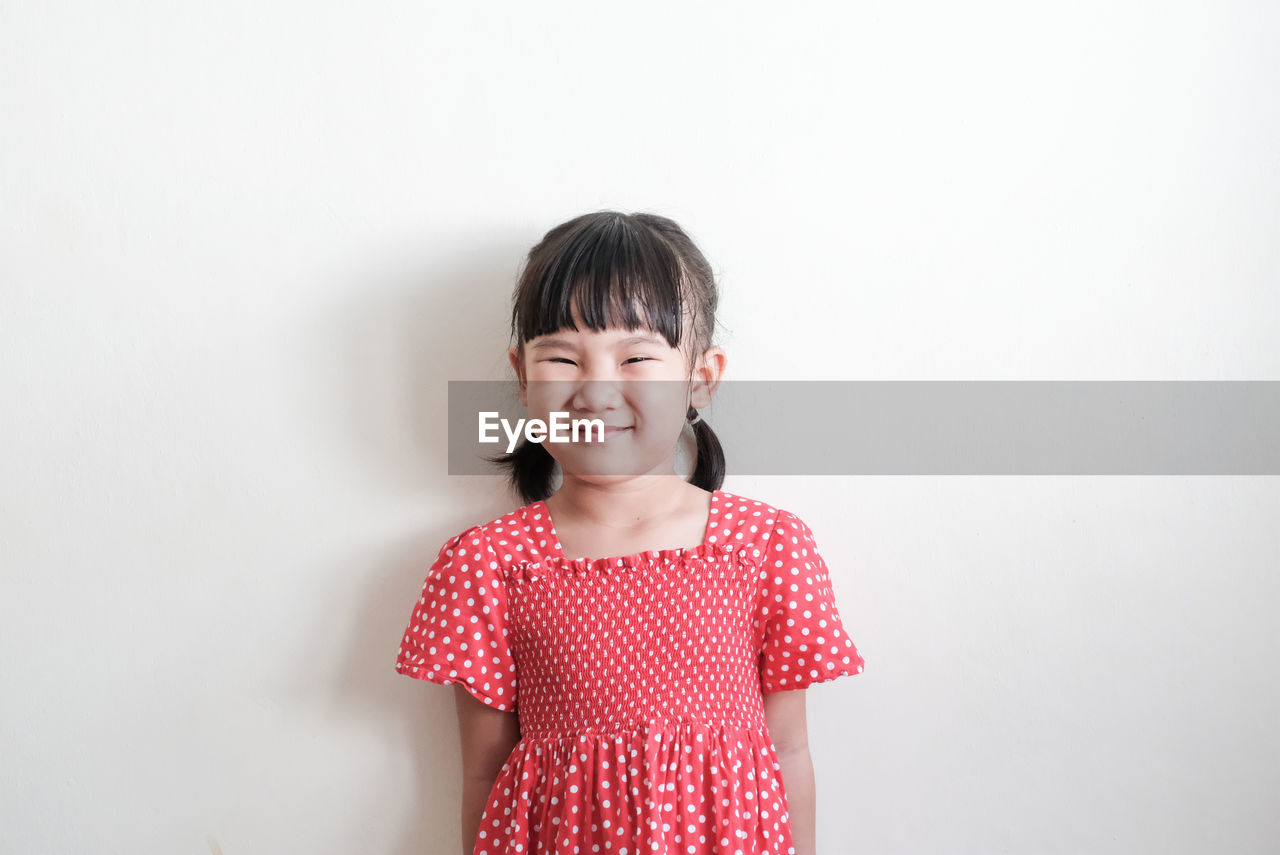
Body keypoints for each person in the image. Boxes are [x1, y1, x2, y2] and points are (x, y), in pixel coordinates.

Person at [394, 211, 866, 855]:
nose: (597, 390)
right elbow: (483, 773)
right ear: (522, 375)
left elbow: (788, 748)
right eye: (562, 357)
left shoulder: (766, 547)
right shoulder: (489, 564)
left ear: (702, 374)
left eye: (638, 355)